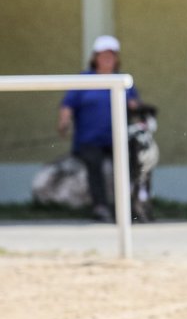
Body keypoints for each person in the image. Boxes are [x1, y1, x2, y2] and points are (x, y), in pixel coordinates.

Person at [57, 35, 141, 223]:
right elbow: (68, 104)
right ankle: (100, 206)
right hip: (89, 140)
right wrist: (64, 122)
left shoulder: (123, 80)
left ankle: (128, 207)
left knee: (128, 163)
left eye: (111, 55)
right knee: (94, 164)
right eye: (103, 55)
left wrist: (138, 110)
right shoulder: (84, 79)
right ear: (95, 57)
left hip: (117, 139)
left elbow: (135, 105)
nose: (107, 59)